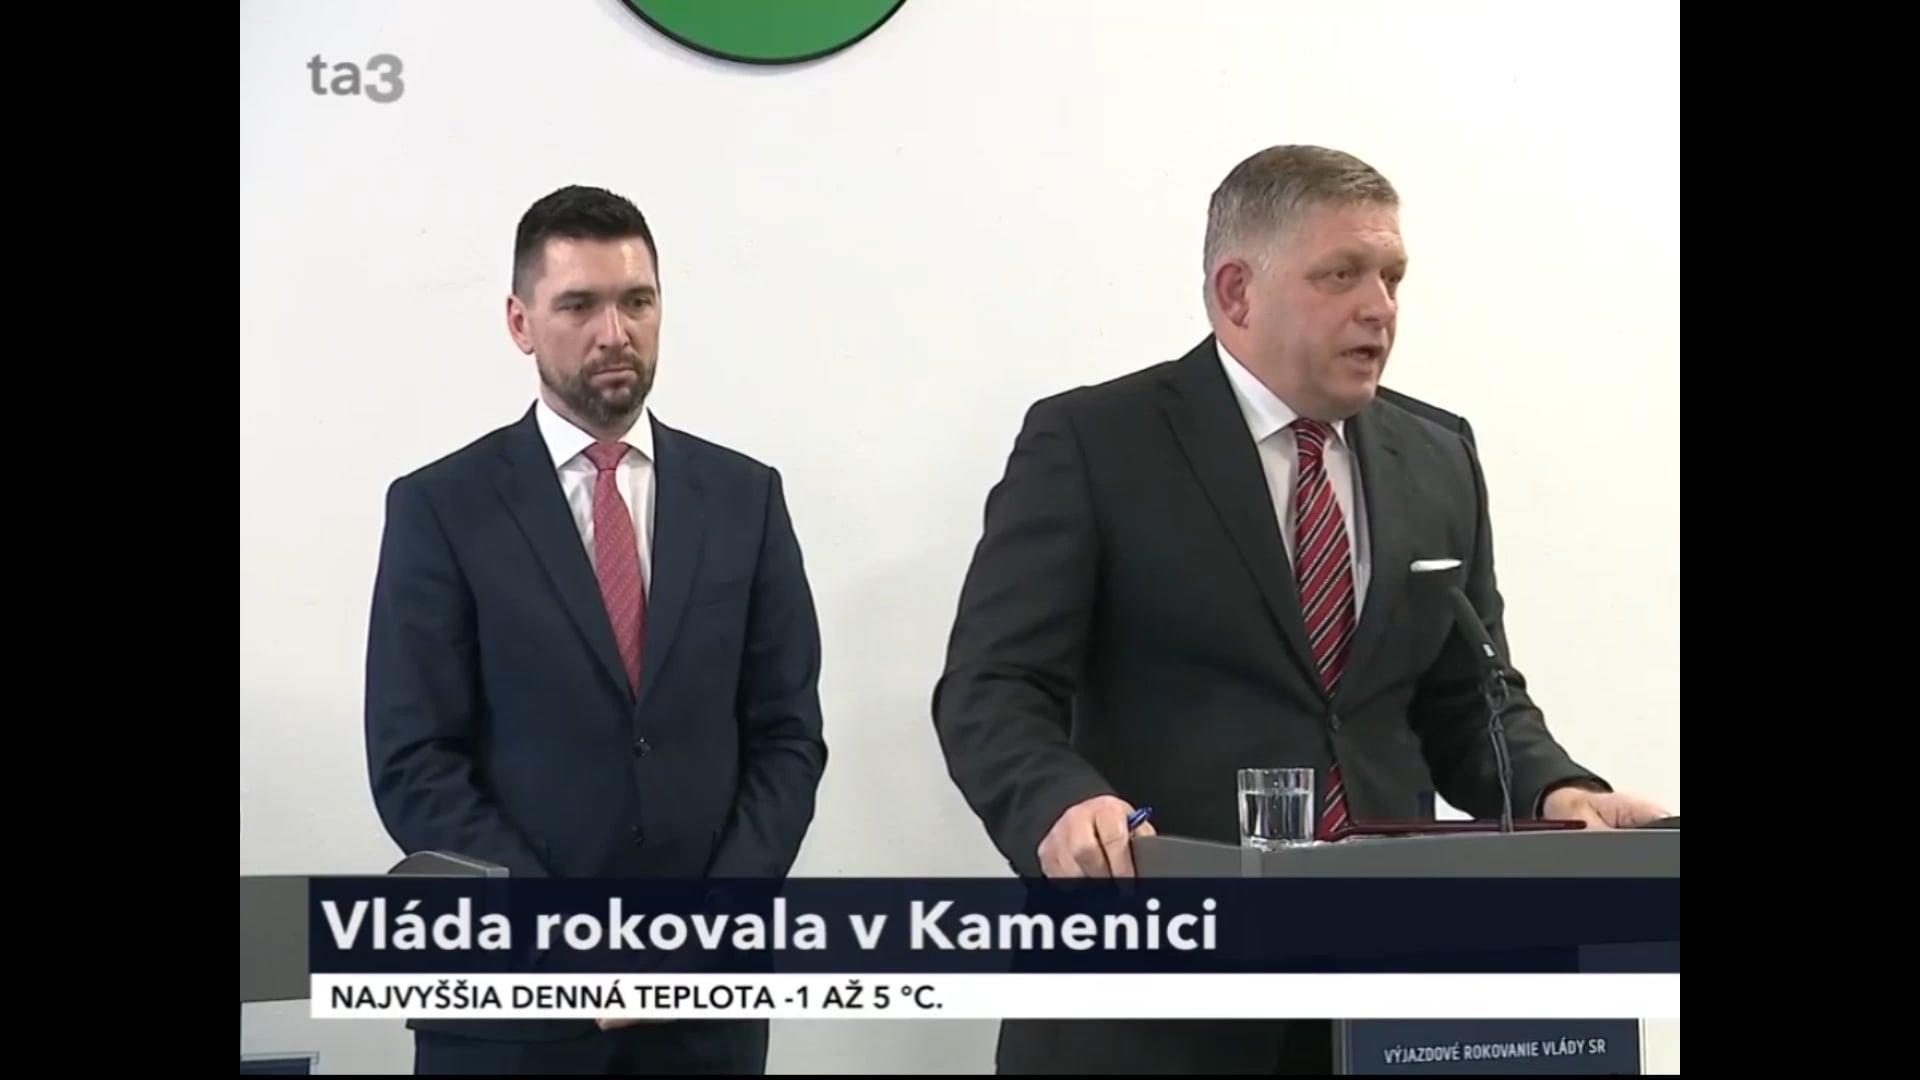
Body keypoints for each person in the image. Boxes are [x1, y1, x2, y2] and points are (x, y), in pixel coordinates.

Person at [930, 145, 1670, 1074]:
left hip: (1387, 1002)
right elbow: (992, 690)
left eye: (1393, 277)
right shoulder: (1095, 442)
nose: (1380, 307)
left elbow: (1469, 700)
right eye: (1341, 274)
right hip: (1154, 993)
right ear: (1236, 292)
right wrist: (1063, 802)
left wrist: (1559, 795)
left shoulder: (1437, 454)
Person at [364, 184, 828, 1075]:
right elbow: (414, 762)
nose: (615, 332)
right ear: (521, 323)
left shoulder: (746, 499)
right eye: (579, 305)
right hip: (508, 1017)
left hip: (703, 1017)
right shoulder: (441, 509)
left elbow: (786, 737)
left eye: (637, 302)